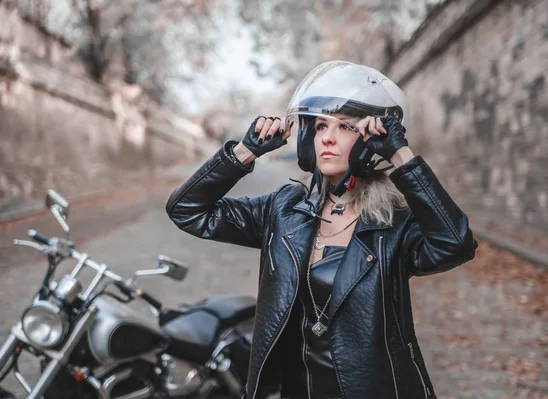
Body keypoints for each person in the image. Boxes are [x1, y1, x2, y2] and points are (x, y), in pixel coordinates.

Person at [166, 61, 478, 399]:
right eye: (318, 127)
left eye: (344, 127)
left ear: (371, 140)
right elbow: (187, 210)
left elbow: (455, 244)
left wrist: (401, 155)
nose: (327, 138)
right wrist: (245, 151)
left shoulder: (394, 223)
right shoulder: (282, 211)